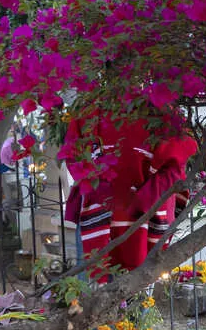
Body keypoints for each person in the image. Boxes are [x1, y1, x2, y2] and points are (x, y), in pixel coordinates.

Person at [61, 107, 197, 281]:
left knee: (137, 292)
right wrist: (101, 192)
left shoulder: (161, 110)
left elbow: (174, 166)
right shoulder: (89, 108)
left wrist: (140, 202)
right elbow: (73, 155)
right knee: (92, 294)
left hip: (145, 215)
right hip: (97, 216)